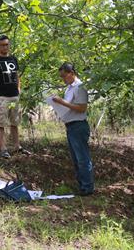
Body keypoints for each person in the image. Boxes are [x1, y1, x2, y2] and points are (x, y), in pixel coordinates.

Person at [52, 62, 94, 196]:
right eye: (61, 77)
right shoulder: (69, 88)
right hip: (70, 126)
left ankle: (87, 188)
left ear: (72, 73)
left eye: (64, 76)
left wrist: (62, 102)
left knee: (82, 158)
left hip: (78, 126)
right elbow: (69, 106)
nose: (63, 79)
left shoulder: (80, 87)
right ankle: (82, 186)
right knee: (76, 159)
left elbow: (82, 108)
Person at [0, 35, 30, 158]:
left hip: (14, 96)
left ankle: (17, 146)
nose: (5, 47)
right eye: (2, 45)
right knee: (1, 123)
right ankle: (3, 148)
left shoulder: (13, 59)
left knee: (15, 123)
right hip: (1, 96)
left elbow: (16, 75)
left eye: (7, 44)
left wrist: (18, 88)